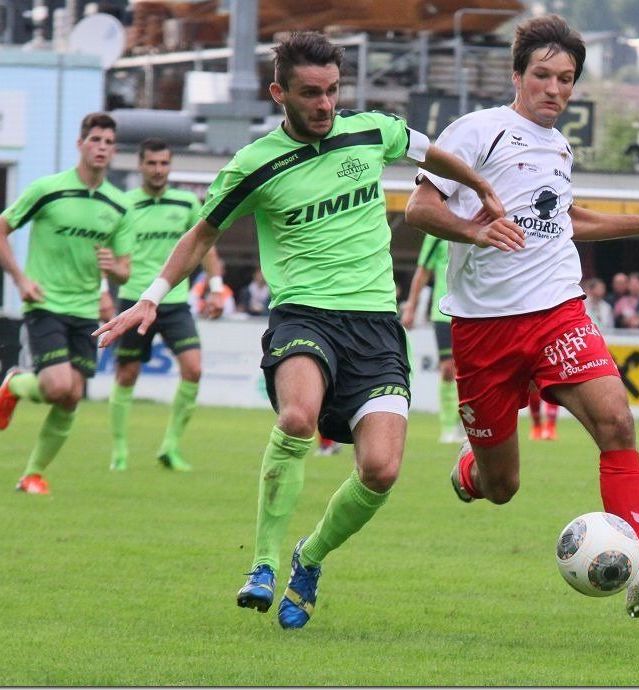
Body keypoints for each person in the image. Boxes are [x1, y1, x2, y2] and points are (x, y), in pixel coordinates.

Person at [93, 31, 505, 629]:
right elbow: (201, 235)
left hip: (376, 325)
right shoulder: (254, 164)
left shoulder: (371, 130)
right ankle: (261, 562)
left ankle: (308, 557)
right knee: (296, 418)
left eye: (333, 91)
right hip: (303, 316)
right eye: (311, 93)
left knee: (382, 470)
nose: (325, 104)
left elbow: (428, 150)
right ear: (278, 92)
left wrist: (481, 186)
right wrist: (153, 297)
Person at [404, 14, 639, 619]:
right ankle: (470, 472)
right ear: (518, 76)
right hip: (483, 329)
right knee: (502, 486)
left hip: (556, 312)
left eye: (566, 79)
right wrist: (474, 230)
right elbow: (418, 208)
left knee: (617, 423)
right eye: (543, 75)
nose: (555, 89)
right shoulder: (477, 132)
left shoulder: (559, 146)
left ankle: (638, 566)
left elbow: (565, 218)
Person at [0, 112, 133, 494]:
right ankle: (17, 383)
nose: (102, 148)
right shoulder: (48, 189)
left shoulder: (119, 205)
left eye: (108, 142)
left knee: (71, 396)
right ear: (80, 144)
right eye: (95, 140)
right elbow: (2, 229)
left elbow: (125, 270)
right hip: (45, 303)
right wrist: (20, 279)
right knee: (59, 385)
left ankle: (32, 474)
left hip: (87, 311)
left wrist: (115, 271)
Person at [108, 138, 224, 472]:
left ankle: (170, 447)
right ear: (140, 165)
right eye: (152, 163)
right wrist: (104, 290)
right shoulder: (124, 204)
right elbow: (105, 250)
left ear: (170, 166)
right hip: (134, 299)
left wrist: (215, 288)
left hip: (174, 302)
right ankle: (119, 453)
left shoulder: (186, 201)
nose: (158, 170)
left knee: (194, 369)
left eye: (164, 163)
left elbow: (205, 247)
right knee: (127, 373)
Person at [401, 234, 465, 443]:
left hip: (472, 312)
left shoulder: (477, 222)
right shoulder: (435, 233)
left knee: (471, 371)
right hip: (443, 312)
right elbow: (423, 271)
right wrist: (411, 305)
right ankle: (448, 427)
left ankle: (468, 422)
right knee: (447, 369)